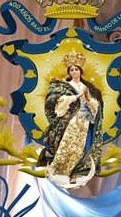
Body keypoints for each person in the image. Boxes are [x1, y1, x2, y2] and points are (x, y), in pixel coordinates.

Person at [38, 54, 103, 182]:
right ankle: (60, 170)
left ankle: (76, 170)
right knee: (67, 143)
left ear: (80, 71)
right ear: (69, 72)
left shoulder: (87, 87)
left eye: (76, 69)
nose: (74, 72)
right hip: (69, 120)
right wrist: (75, 97)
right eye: (72, 70)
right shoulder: (63, 86)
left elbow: (96, 104)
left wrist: (89, 100)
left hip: (84, 119)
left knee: (81, 146)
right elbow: (56, 101)